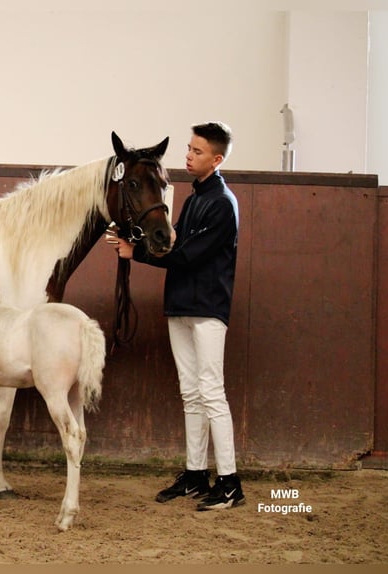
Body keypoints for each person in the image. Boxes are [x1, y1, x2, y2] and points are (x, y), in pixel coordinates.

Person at [107, 121, 244, 511]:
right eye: (188, 148)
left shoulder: (221, 203)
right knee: (191, 392)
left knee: (211, 391)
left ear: (216, 160)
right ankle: (197, 474)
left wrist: (137, 255)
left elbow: (186, 256)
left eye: (197, 151)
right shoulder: (193, 199)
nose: (188, 155)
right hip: (181, 305)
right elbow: (173, 242)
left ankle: (230, 483)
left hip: (207, 309)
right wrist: (133, 239)